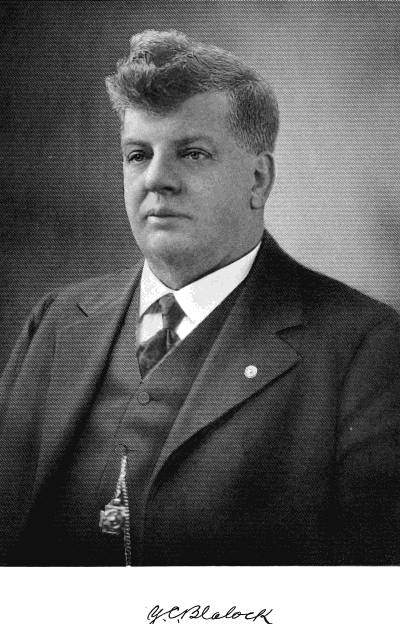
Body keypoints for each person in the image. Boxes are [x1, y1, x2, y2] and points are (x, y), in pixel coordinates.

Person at [1, 30, 400, 567]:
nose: (156, 179)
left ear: (258, 179)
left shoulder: (365, 350)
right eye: (137, 155)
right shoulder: (55, 324)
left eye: (191, 153)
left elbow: (368, 596)